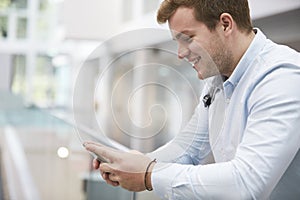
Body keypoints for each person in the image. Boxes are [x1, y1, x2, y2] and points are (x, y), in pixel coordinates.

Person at [84, 0, 300, 199]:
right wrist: (137, 163)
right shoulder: (216, 80)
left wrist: (149, 174)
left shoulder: (282, 76)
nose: (180, 53)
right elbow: (189, 148)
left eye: (187, 38)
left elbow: (247, 182)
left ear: (225, 24)